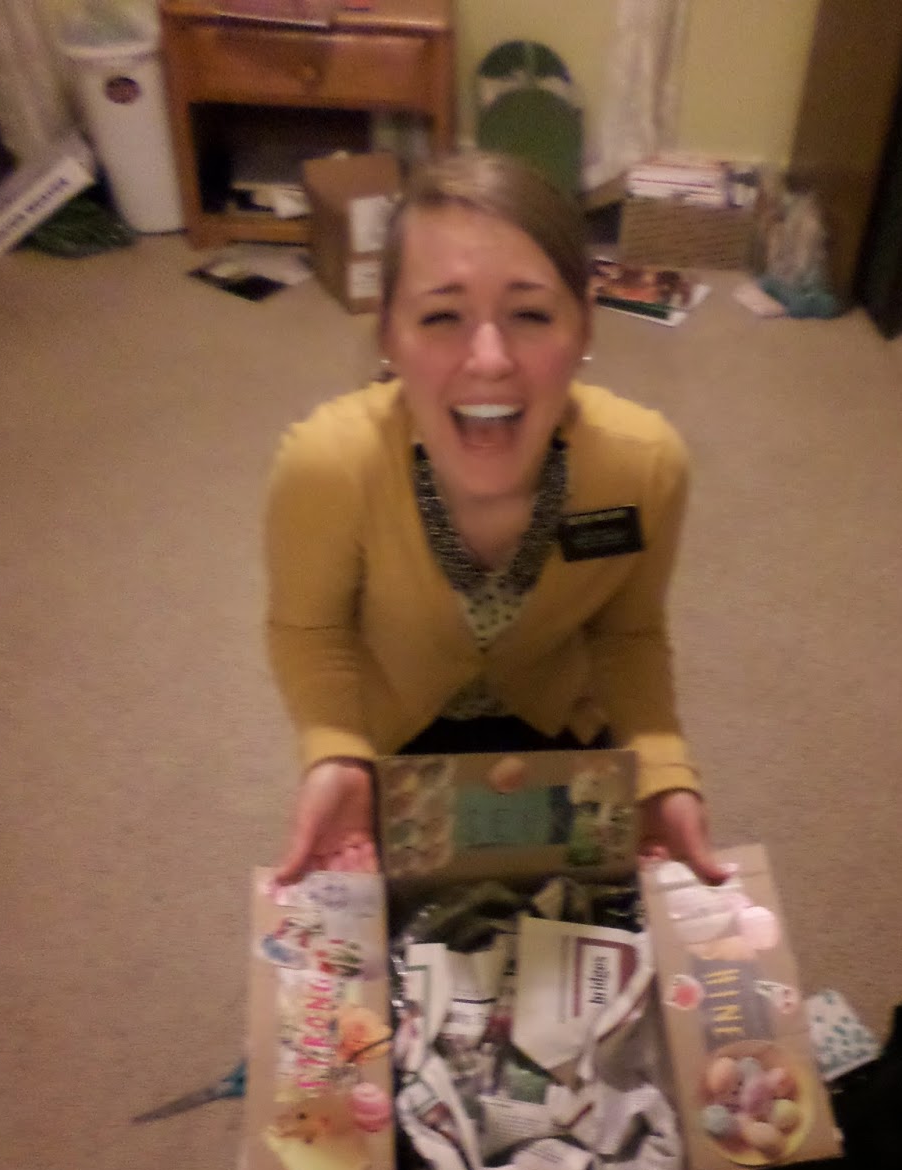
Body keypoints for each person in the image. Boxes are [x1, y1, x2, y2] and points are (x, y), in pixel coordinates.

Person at [264, 151, 724, 886]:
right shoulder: (327, 466)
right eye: (442, 316)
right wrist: (335, 749)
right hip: (393, 740)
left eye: (530, 314)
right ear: (388, 336)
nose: (489, 360)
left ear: (584, 329)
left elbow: (628, 633)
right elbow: (310, 630)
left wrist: (663, 769)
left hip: (559, 723)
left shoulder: (643, 469)